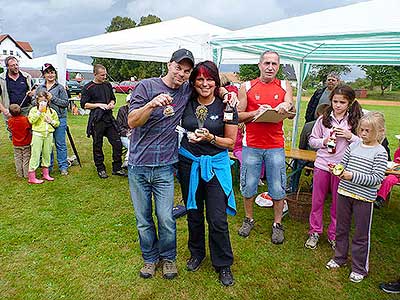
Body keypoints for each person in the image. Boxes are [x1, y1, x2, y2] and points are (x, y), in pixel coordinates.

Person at [127, 49, 235, 280]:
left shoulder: (194, 94)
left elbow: (211, 86)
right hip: (146, 164)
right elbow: (132, 121)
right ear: (169, 65)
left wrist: (226, 92)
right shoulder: (150, 88)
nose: (182, 74)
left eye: (187, 71)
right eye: (179, 68)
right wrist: (151, 105)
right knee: (152, 217)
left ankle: (182, 259)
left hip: (175, 165)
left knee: (173, 217)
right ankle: (158, 258)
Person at [177, 61, 238, 286]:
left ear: (216, 81)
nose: (205, 83)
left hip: (215, 165)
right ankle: (197, 253)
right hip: (189, 164)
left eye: (209, 79)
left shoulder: (227, 106)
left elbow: (230, 143)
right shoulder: (186, 102)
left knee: (217, 218)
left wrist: (210, 138)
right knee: (193, 212)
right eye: (200, 79)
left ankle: (223, 264)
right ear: (193, 82)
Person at [237, 50, 294, 244]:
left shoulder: (285, 86)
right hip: (251, 144)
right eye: (267, 63)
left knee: (277, 185)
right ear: (260, 65)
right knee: (249, 184)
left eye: (274, 64)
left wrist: (286, 108)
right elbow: (237, 116)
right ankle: (249, 219)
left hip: (275, 145)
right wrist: (256, 112)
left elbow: (292, 111)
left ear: (278, 66)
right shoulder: (246, 87)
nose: (270, 67)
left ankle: (277, 224)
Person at [326, 111, 387, 283]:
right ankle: (339, 258)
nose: (363, 134)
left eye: (368, 131)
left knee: (361, 234)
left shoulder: (380, 152)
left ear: (379, 131)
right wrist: (336, 170)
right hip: (344, 193)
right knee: (341, 229)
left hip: (364, 198)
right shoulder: (353, 146)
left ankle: (360, 268)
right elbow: (343, 164)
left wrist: (351, 176)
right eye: (362, 130)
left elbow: (376, 179)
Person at [305, 85, 362, 250]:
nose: (338, 105)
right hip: (322, 165)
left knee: (338, 204)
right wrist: (323, 141)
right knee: (317, 201)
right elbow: (312, 141)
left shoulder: (354, 120)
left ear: (349, 103)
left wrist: (350, 136)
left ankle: (334, 235)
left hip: (341, 168)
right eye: (335, 101)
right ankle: (314, 231)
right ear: (331, 101)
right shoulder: (323, 119)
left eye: (342, 102)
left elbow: (364, 142)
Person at [80, 64, 126, 179]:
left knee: (117, 143)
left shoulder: (107, 85)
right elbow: (84, 104)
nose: (105, 77)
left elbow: (113, 98)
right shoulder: (88, 87)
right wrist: (98, 105)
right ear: (95, 74)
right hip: (97, 119)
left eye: (105, 74)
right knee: (97, 144)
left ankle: (117, 168)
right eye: (102, 75)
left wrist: (111, 103)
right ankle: (100, 168)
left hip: (109, 118)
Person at [35, 63, 69, 175]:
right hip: (44, 119)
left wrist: (52, 98)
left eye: (52, 72)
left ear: (55, 74)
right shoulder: (40, 88)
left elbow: (65, 103)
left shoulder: (60, 88)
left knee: (60, 143)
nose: (50, 75)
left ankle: (63, 166)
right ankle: (47, 167)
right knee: (47, 144)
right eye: (48, 73)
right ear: (44, 75)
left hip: (59, 118)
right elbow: (33, 102)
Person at [289, 103, 330, 192]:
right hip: (325, 161)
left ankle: (293, 185)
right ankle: (314, 186)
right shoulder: (335, 127)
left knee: (297, 161)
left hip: (309, 160)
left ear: (317, 113)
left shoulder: (309, 126)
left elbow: (302, 145)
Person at [27, 91, 59, 184]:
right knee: (35, 154)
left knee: (47, 153)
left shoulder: (52, 111)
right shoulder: (33, 110)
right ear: (37, 101)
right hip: (38, 135)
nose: (43, 103)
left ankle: (46, 173)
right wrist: (38, 112)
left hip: (48, 135)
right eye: (41, 101)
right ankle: (32, 176)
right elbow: (31, 121)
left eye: (45, 101)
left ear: (48, 101)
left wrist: (51, 121)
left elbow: (57, 123)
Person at [0, 56, 34, 120]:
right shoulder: (1, 79)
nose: (16, 67)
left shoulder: (26, 76)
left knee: (27, 129)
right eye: (12, 65)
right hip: (10, 111)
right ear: (7, 67)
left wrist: (32, 93)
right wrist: (4, 111)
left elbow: (33, 90)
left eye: (17, 64)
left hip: (26, 110)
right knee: (13, 129)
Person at [375, 135, 400, 208]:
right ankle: (380, 199)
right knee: (388, 179)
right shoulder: (398, 151)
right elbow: (395, 163)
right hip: (396, 173)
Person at [7, 104, 32, 178]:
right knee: (26, 158)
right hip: (26, 143)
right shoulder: (25, 119)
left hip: (16, 143)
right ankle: (26, 173)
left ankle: (19, 173)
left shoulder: (10, 121)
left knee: (18, 158)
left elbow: (9, 129)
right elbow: (29, 127)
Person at [116, 95, 131, 168]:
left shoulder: (139, 111)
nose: (130, 103)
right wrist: (126, 132)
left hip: (136, 135)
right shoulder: (122, 110)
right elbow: (118, 126)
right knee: (131, 144)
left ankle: (128, 161)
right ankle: (127, 160)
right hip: (124, 135)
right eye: (129, 102)